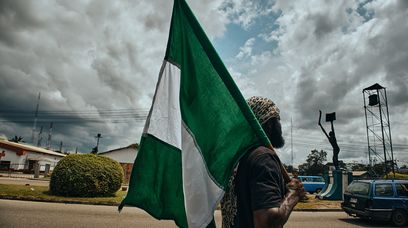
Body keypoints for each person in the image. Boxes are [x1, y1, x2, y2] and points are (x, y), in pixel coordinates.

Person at [221, 96, 305, 228]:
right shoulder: (263, 158)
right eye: (277, 120)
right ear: (270, 124)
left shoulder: (236, 158)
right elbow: (267, 221)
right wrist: (293, 195)